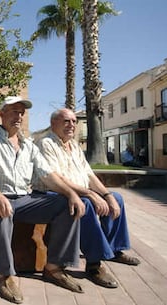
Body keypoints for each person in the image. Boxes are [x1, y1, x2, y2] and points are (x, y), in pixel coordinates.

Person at [0, 97, 86, 304]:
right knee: (1, 210)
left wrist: (71, 193)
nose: (19, 116)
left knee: (64, 204)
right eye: (14, 111)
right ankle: (6, 276)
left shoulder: (29, 146)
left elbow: (48, 176)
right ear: (1, 113)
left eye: (21, 113)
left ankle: (54, 267)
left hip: (24, 199)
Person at [33, 108, 140, 290]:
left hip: (80, 190)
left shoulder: (74, 146)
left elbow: (89, 175)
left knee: (117, 198)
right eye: (66, 121)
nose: (72, 125)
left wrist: (106, 195)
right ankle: (94, 263)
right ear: (53, 124)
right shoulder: (46, 144)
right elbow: (57, 179)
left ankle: (114, 250)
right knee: (87, 204)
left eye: (74, 121)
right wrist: (89, 194)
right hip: (55, 193)